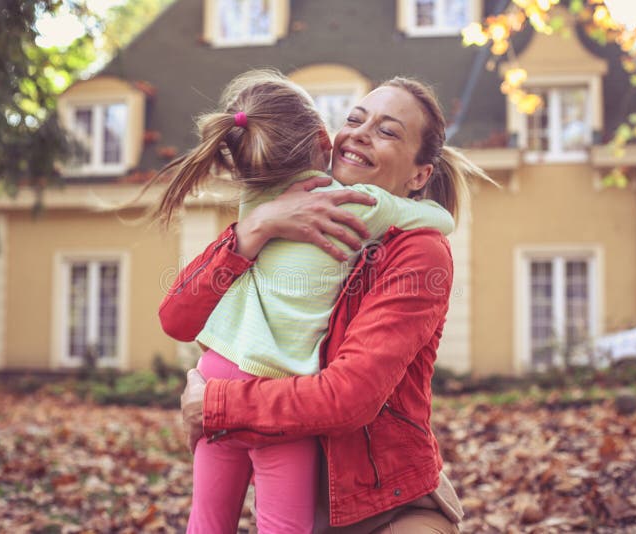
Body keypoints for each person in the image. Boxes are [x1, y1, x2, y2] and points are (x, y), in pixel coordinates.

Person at [165, 76, 491, 533]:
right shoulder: (275, 210)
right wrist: (255, 229)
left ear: (419, 176)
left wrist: (217, 403)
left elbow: (349, 397)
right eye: (355, 119)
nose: (360, 132)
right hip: (308, 496)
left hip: (385, 506)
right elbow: (177, 317)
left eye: (388, 131)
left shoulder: (417, 251)